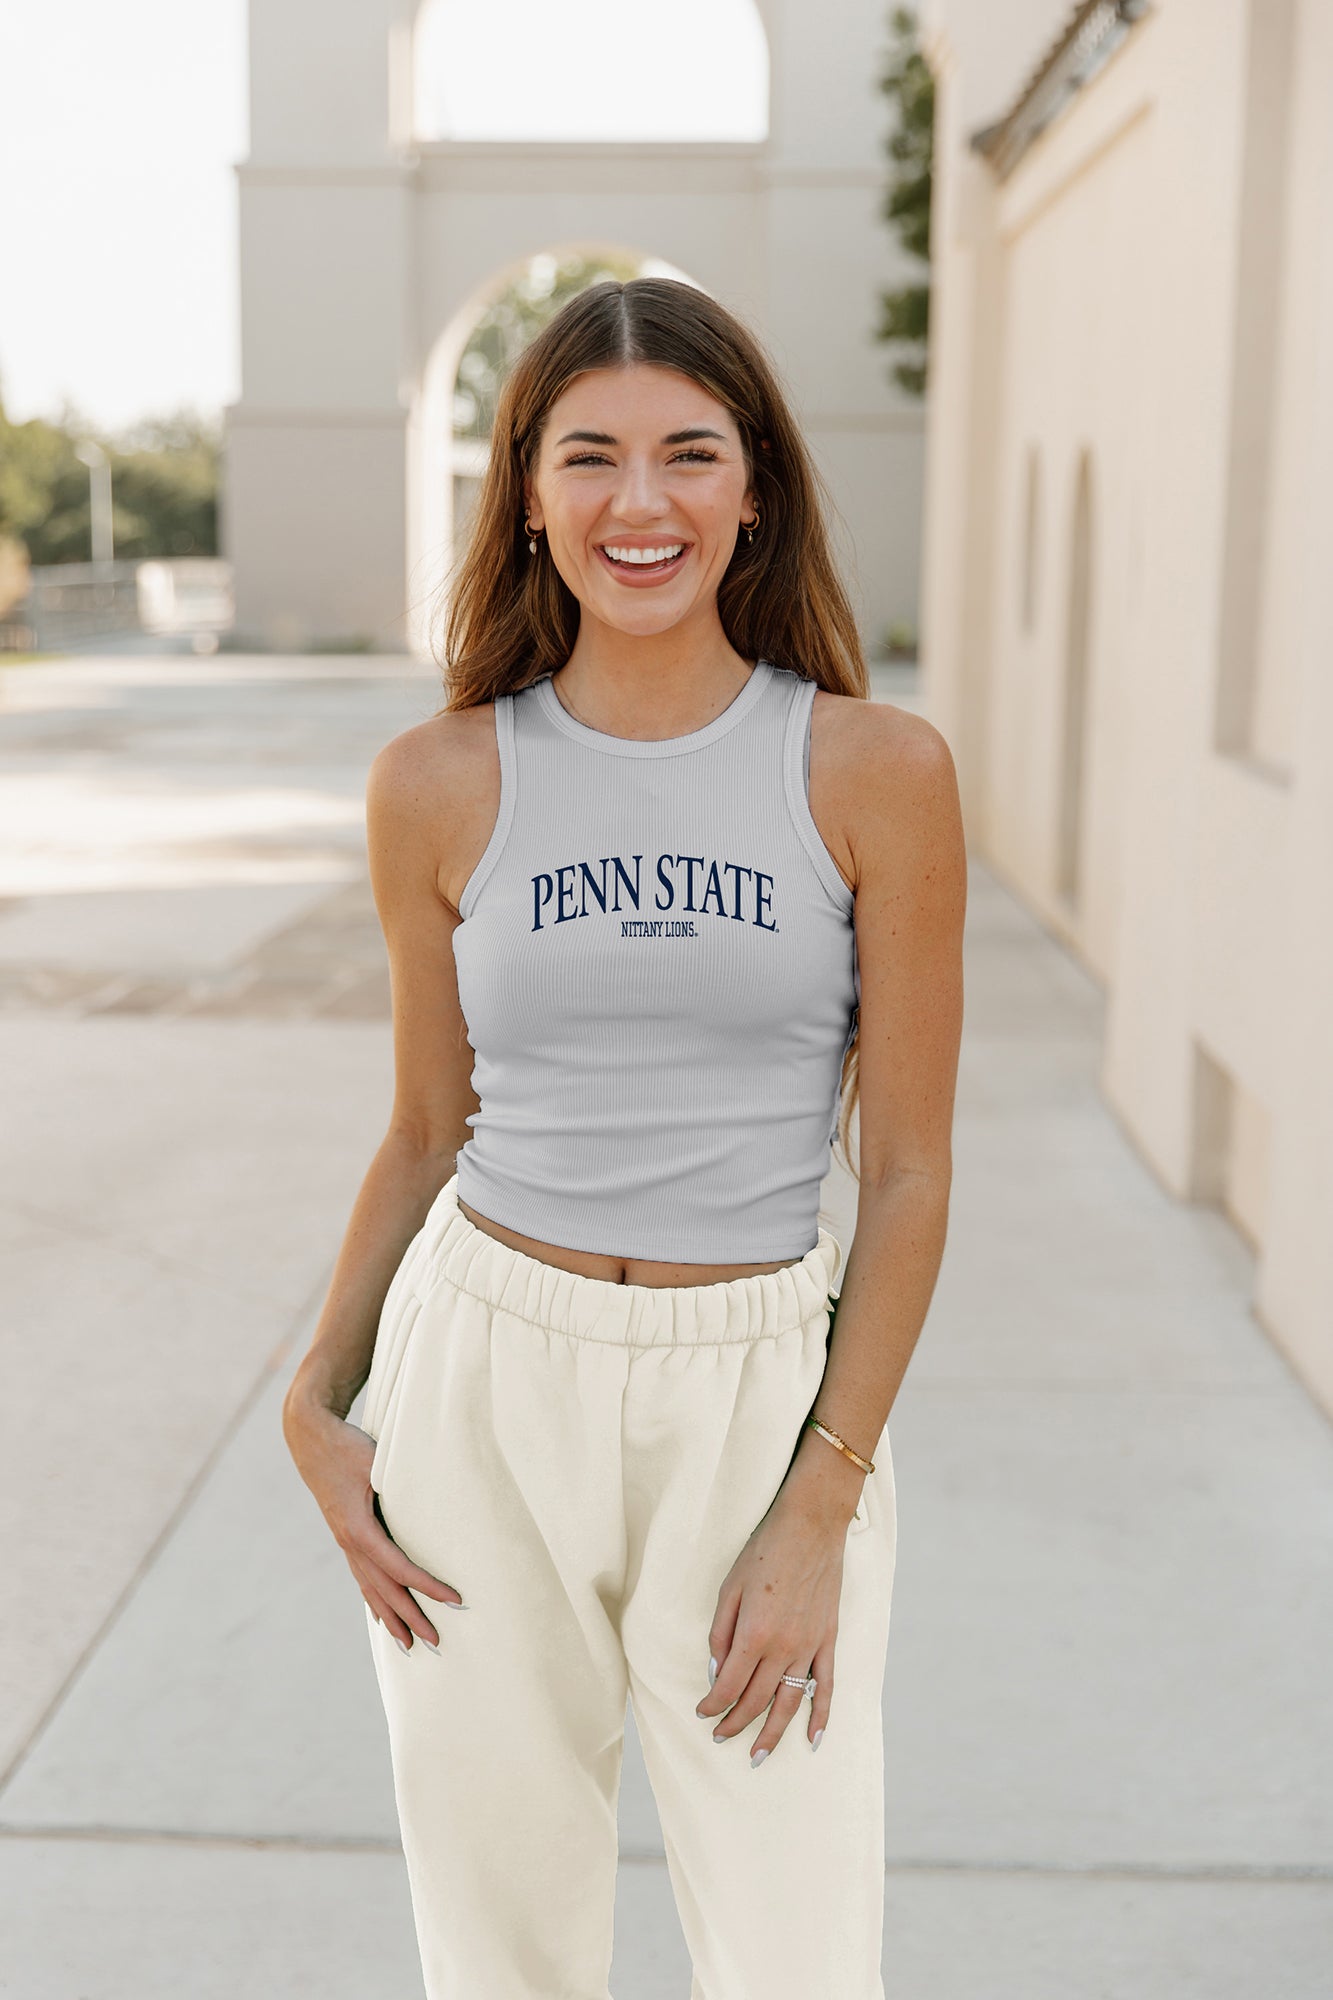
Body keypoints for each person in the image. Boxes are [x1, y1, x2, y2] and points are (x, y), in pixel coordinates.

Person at [282, 276, 966, 2000]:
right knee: (497, 1940)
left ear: (756, 491)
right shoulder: (438, 780)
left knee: (797, 1943)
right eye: (589, 458)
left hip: (755, 1399)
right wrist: (317, 1393)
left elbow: (904, 1172)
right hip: (483, 1380)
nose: (637, 503)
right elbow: (428, 1129)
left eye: (687, 455)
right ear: (524, 492)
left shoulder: (872, 769)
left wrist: (825, 1495)